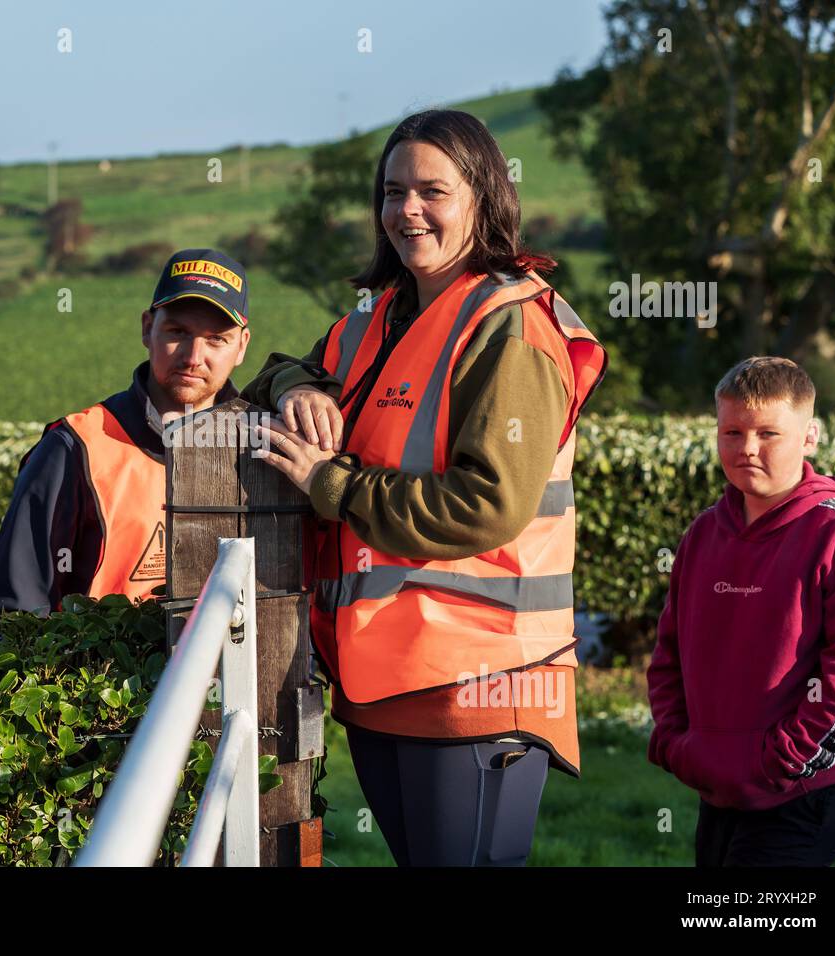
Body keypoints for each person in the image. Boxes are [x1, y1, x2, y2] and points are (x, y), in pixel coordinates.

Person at [241, 109, 606, 866]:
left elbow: (488, 504)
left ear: (484, 199)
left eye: (432, 191)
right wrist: (295, 386)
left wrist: (330, 484)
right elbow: (275, 370)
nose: (407, 210)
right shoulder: (374, 319)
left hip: (481, 685)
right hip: (387, 684)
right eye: (392, 190)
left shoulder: (512, 327)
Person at [647, 356, 835, 866]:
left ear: (809, 437)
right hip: (716, 785)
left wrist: (778, 763)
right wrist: (682, 745)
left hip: (803, 789)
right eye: (732, 431)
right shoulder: (703, 534)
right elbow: (668, 654)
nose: (747, 448)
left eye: (769, 433)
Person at [0, 249, 251, 615]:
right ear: (147, 328)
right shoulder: (74, 446)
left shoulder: (260, 446)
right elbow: (17, 612)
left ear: (242, 346)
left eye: (216, 339)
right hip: (102, 672)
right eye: (177, 332)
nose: (193, 356)